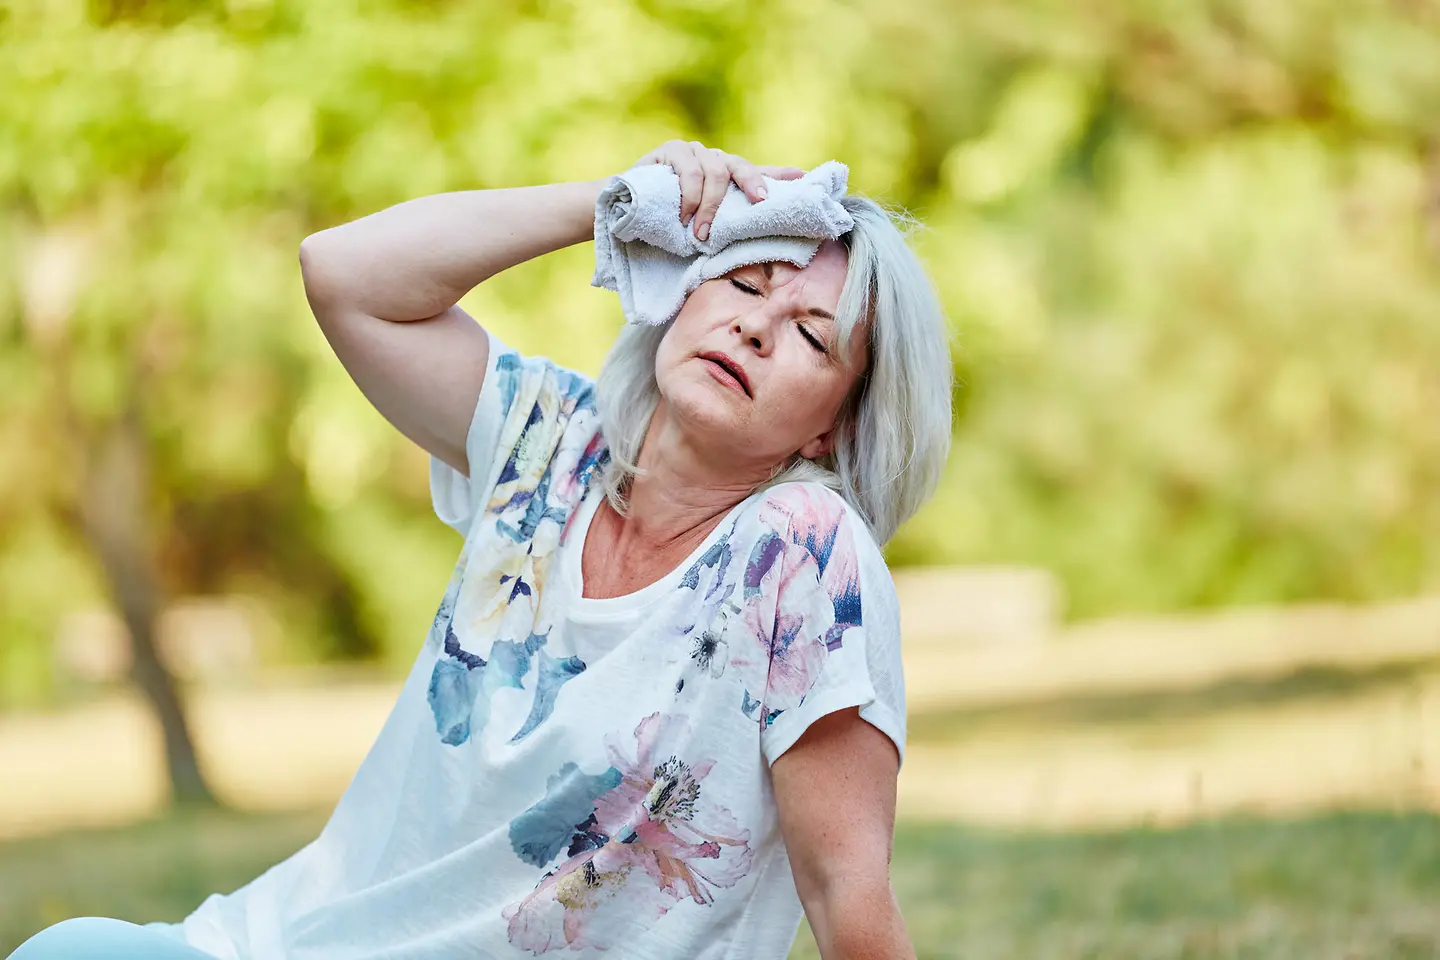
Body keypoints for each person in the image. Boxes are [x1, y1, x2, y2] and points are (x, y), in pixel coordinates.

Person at [10, 139, 953, 959]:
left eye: (810, 337)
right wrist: (610, 206)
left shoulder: (802, 555)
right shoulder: (547, 441)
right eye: (743, 284)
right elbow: (343, 274)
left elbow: (845, 889)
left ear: (832, 428)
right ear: (682, 292)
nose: (754, 323)